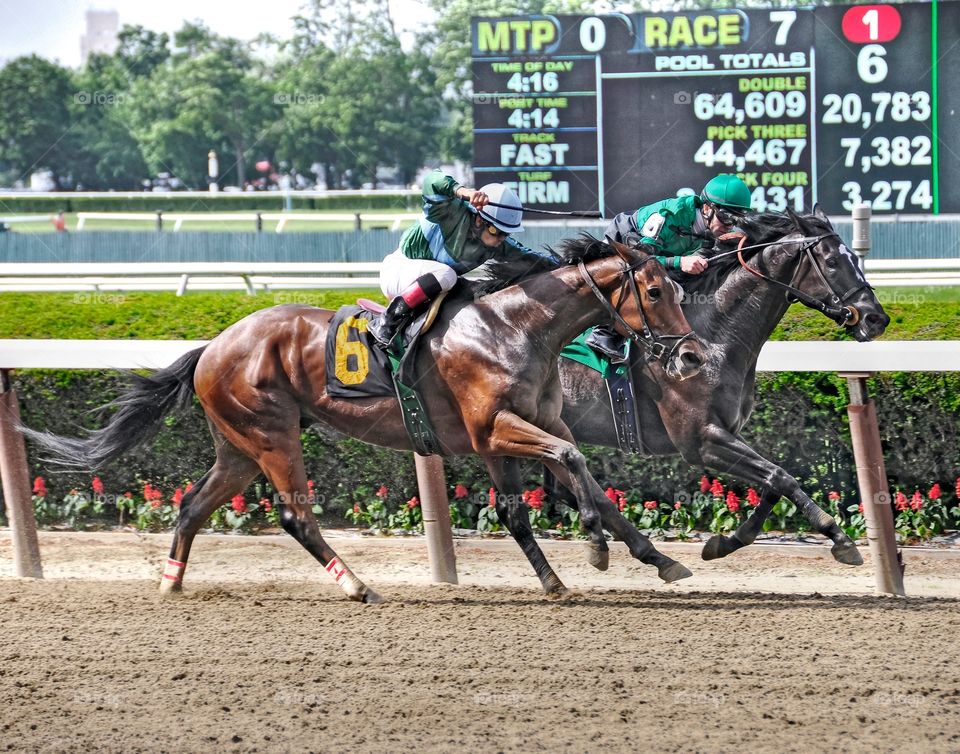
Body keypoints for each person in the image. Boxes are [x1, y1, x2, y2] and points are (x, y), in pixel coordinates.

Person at [369, 169, 557, 348]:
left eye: (506, 234)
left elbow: (534, 259)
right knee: (448, 275)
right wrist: (462, 191)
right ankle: (388, 321)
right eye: (496, 231)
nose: (500, 239)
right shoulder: (450, 212)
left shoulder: (497, 245)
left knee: (471, 291)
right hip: (398, 272)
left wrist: (575, 265)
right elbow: (431, 180)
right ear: (478, 219)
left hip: (429, 287)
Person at [586, 173, 752, 362]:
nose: (729, 226)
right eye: (725, 217)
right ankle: (602, 332)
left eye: (736, 220)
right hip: (627, 246)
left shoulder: (711, 229)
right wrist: (680, 262)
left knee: (684, 290)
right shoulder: (669, 215)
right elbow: (642, 261)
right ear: (706, 208)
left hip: (659, 255)